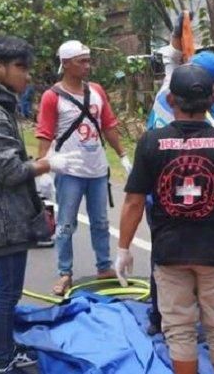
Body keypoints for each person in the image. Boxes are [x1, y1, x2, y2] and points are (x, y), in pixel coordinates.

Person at [115, 64, 214, 374]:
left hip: (169, 252)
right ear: (213, 100)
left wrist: (123, 248)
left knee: (179, 330)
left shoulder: (151, 143)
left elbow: (134, 201)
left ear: (171, 100)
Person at [0, 35, 84, 374]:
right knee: (6, 292)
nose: (27, 75)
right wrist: (48, 164)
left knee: (3, 288)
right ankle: (1, 361)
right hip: (2, 218)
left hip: (2, 212)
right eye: (20, 67)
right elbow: (10, 171)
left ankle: (6, 349)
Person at [144, 14, 214, 335]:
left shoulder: (170, 92)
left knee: (165, 257)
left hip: (164, 191)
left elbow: (171, 59)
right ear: (209, 86)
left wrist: (178, 33)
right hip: (188, 193)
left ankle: (166, 318)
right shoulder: (204, 120)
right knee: (185, 260)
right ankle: (176, 321)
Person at [36, 40, 132, 296]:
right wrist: (43, 168)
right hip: (69, 171)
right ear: (66, 64)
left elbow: (108, 125)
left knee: (100, 221)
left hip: (97, 169)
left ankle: (104, 266)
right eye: (82, 61)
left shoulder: (97, 91)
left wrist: (123, 155)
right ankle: (65, 272)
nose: (87, 66)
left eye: (89, 60)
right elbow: (45, 134)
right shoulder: (52, 97)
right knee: (66, 224)